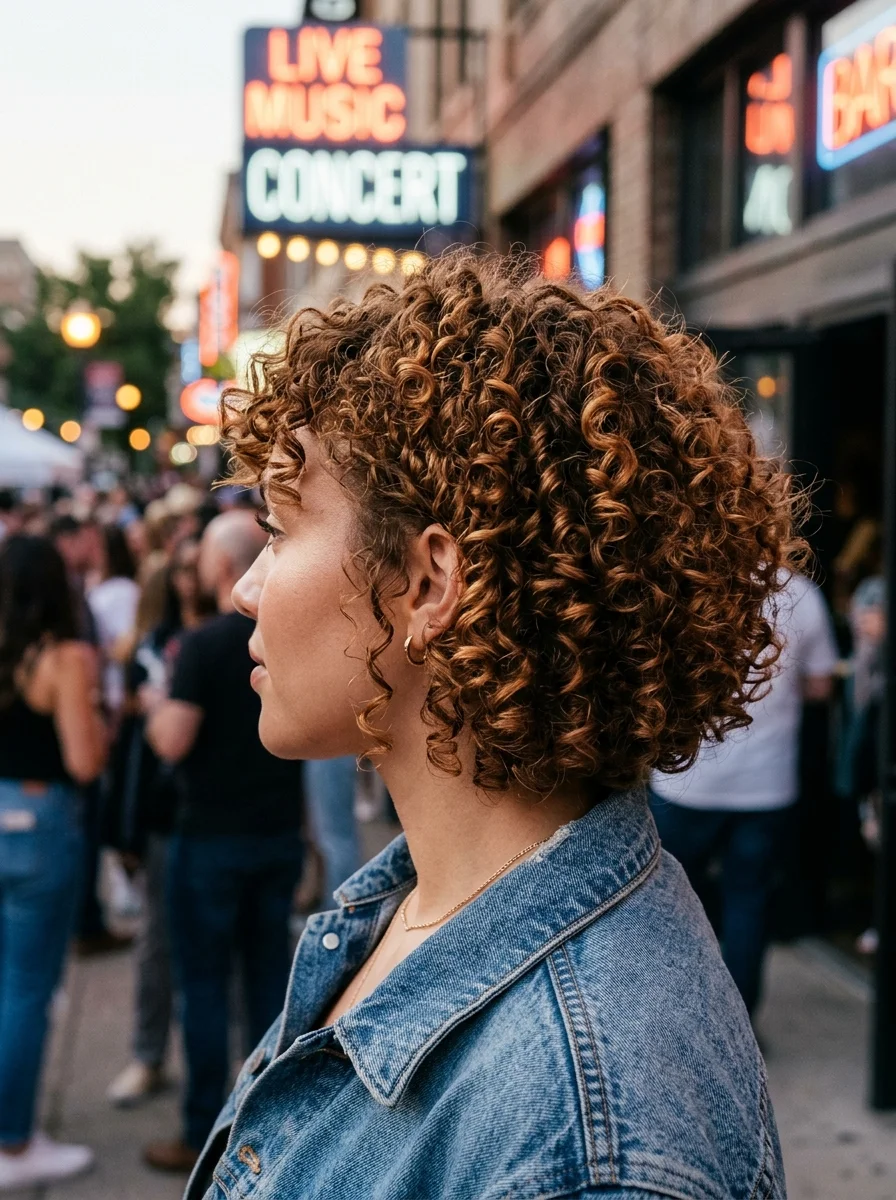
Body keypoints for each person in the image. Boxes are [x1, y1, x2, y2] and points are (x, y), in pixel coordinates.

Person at [182, 252, 801, 1200]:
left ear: (430, 585)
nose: (244, 587)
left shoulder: (587, 1146)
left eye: (280, 528)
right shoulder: (412, 901)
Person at [142, 513, 304, 1173]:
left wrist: (153, 708)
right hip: (276, 835)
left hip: (211, 841)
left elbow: (173, 740)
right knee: (269, 985)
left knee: (204, 986)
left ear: (217, 567)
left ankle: (204, 1127)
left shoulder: (204, 646)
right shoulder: (281, 640)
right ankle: (271, 1132)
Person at [650, 572, 838, 1016]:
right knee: (747, 903)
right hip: (765, 785)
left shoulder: (691, 581)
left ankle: (674, 1021)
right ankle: (739, 1024)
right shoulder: (802, 595)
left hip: (687, 782)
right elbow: (821, 685)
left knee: (670, 905)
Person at [0, 536, 106, 1190]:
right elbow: (84, 762)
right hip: (40, 825)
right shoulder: (63, 657)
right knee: (28, 988)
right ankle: (12, 1144)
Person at [106, 539, 206, 1107]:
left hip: (219, 812)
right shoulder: (151, 645)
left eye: (199, 569)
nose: (191, 580)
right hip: (165, 814)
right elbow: (138, 751)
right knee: (157, 942)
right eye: (183, 570)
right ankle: (148, 1055)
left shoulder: (237, 637)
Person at [88, 524, 139, 718]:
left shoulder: (123, 591)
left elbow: (126, 644)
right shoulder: (99, 585)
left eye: (97, 546)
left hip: (115, 692)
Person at [305, 756, 361, 904]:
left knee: (335, 840)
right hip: (328, 752)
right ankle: (340, 906)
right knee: (333, 837)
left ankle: (341, 910)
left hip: (328, 749)